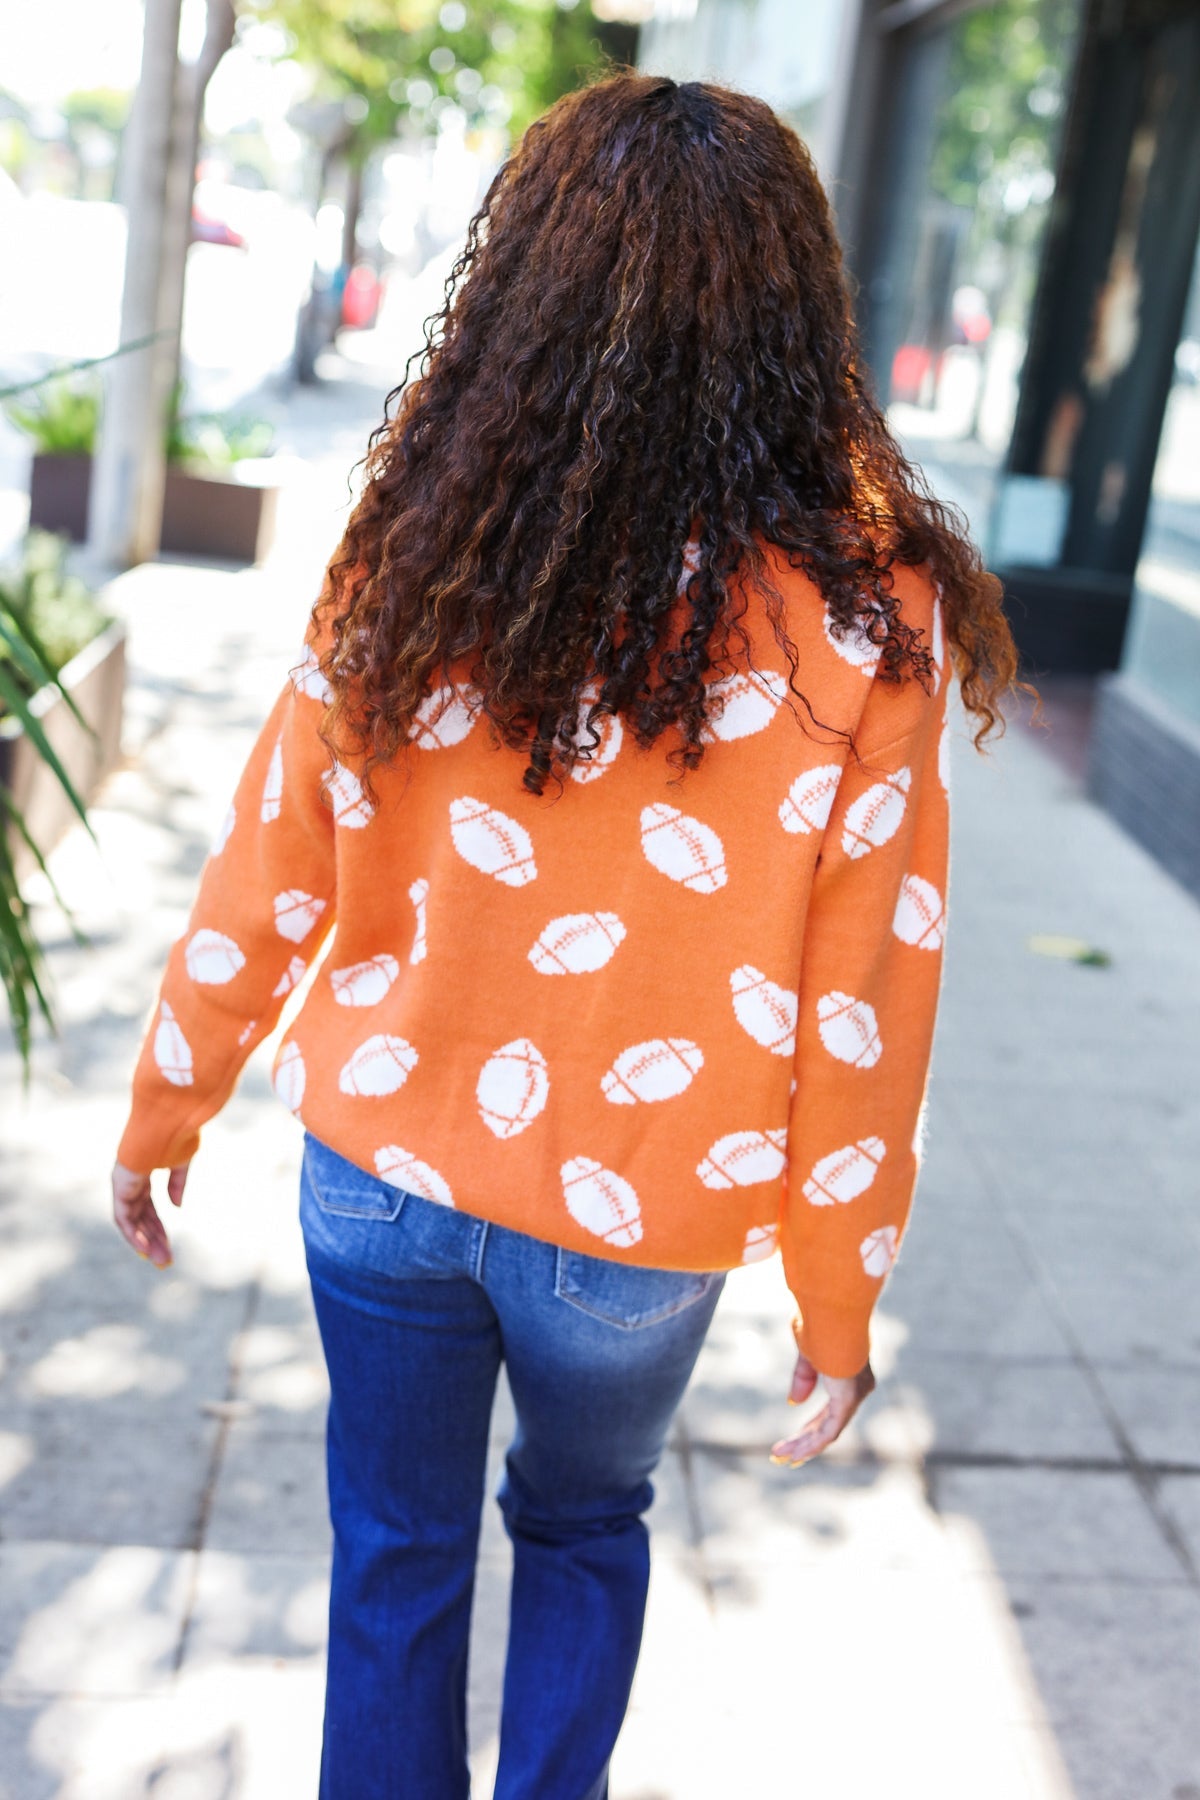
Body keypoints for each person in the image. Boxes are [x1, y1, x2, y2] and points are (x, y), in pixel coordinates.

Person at [111, 73, 1027, 1800]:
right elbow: (867, 1012)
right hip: (637, 1227)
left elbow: (269, 871)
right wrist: (841, 1301)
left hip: (381, 1173)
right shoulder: (868, 621)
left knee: (394, 1554)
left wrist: (166, 1111)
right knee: (589, 1525)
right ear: (795, 308)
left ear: (519, 291)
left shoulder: (415, 548)